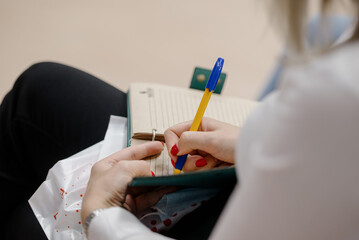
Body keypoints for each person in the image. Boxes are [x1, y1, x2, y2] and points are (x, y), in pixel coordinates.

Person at [1, 1, 359, 239]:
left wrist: (102, 216)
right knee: (40, 89)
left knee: (26, 225)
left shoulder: (337, 92)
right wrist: (255, 139)